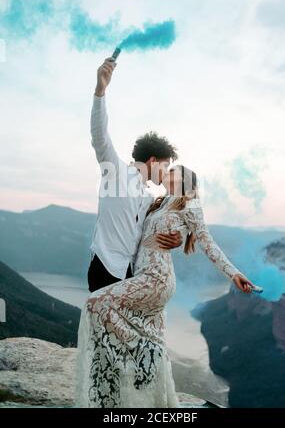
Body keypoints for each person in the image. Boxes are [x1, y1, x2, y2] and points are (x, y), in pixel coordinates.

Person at [75, 161, 255, 408]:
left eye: (173, 172)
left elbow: (208, 243)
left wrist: (234, 274)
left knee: (96, 303)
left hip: (157, 279)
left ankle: (138, 354)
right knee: (154, 343)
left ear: (184, 181)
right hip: (140, 275)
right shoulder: (158, 202)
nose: (167, 174)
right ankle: (143, 397)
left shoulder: (190, 205)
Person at [87, 57, 183, 293]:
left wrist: (178, 239)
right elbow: (100, 136)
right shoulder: (115, 171)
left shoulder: (149, 197)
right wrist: (100, 90)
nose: (166, 172)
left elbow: (162, 225)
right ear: (152, 160)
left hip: (130, 273)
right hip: (105, 267)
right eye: (165, 165)